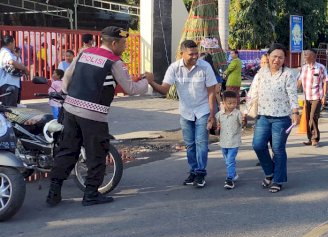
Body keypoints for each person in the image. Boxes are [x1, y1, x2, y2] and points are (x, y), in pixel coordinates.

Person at [47, 27, 149, 207]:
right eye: (123, 44)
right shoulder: (114, 61)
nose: (125, 48)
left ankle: (53, 192)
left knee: (67, 150)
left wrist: (66, 96)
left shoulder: (84, 53)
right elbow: (131, 89)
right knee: (97, 154)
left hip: (70, 110)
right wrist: (147, 81)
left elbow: (67, 77)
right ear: (114, 43)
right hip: (93, 116)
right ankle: (91, 194)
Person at [146, 40, 219, 189]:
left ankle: (200, 172)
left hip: (203, 110)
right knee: (190, 144)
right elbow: (164, 90)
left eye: (196, 53)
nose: (195, 57)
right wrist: (151, 82)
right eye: (191, 54)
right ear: (182, 54)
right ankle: (193, 170)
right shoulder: (174, 68)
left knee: (201, 143)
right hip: (186, 112)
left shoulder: (205, 67)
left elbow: (212, 92)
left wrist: (212, 115)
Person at [248, 43, 299, 193]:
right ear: (268, 57)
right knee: (258, 145)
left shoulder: (288, 74)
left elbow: (292, 95)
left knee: (278, 149)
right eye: (274, 56)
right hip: (263, 116)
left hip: (281, 118)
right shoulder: (261, 73)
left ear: (284, 59)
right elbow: (253, 93)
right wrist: (246, 112)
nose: (277, 60)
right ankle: (270, 173)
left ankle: (278, 179)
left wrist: (295, 112)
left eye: (280, 57)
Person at [297, 49, 328, 146]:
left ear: (314, 56)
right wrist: (293, 91)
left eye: (308, 55)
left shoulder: (320, 68)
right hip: (306, 97)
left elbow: (326, 81)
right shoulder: (304, 68)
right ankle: (310, 138)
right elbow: (299, 81)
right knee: (307, 118)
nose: (305, 56)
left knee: (313, 117)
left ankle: (315, 138)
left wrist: (324, 96)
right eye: (305, 54)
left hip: (317, 96)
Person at [217, 90, 244, 190]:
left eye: (235, 103)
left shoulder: (237, 114)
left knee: (230, 161)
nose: (232, 105)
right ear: (223, 103)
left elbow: (242, 124)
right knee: (227, 160)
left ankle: (230, 179)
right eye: (229, 103)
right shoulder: (219, 114)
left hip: (234, 142)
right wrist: (214, 126)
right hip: (223, 142)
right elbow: (216, 125)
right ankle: (233, 173)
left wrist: (244, 120)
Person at [0, 35, 27, 106]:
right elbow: (11, 62)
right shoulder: (6, 52)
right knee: (11, 110)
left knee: (7, 108)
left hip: (8, 84)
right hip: (9, 84)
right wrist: (24, 69)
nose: (14, 45)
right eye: (14, 43)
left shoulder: (6, 52)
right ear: (10, 43)